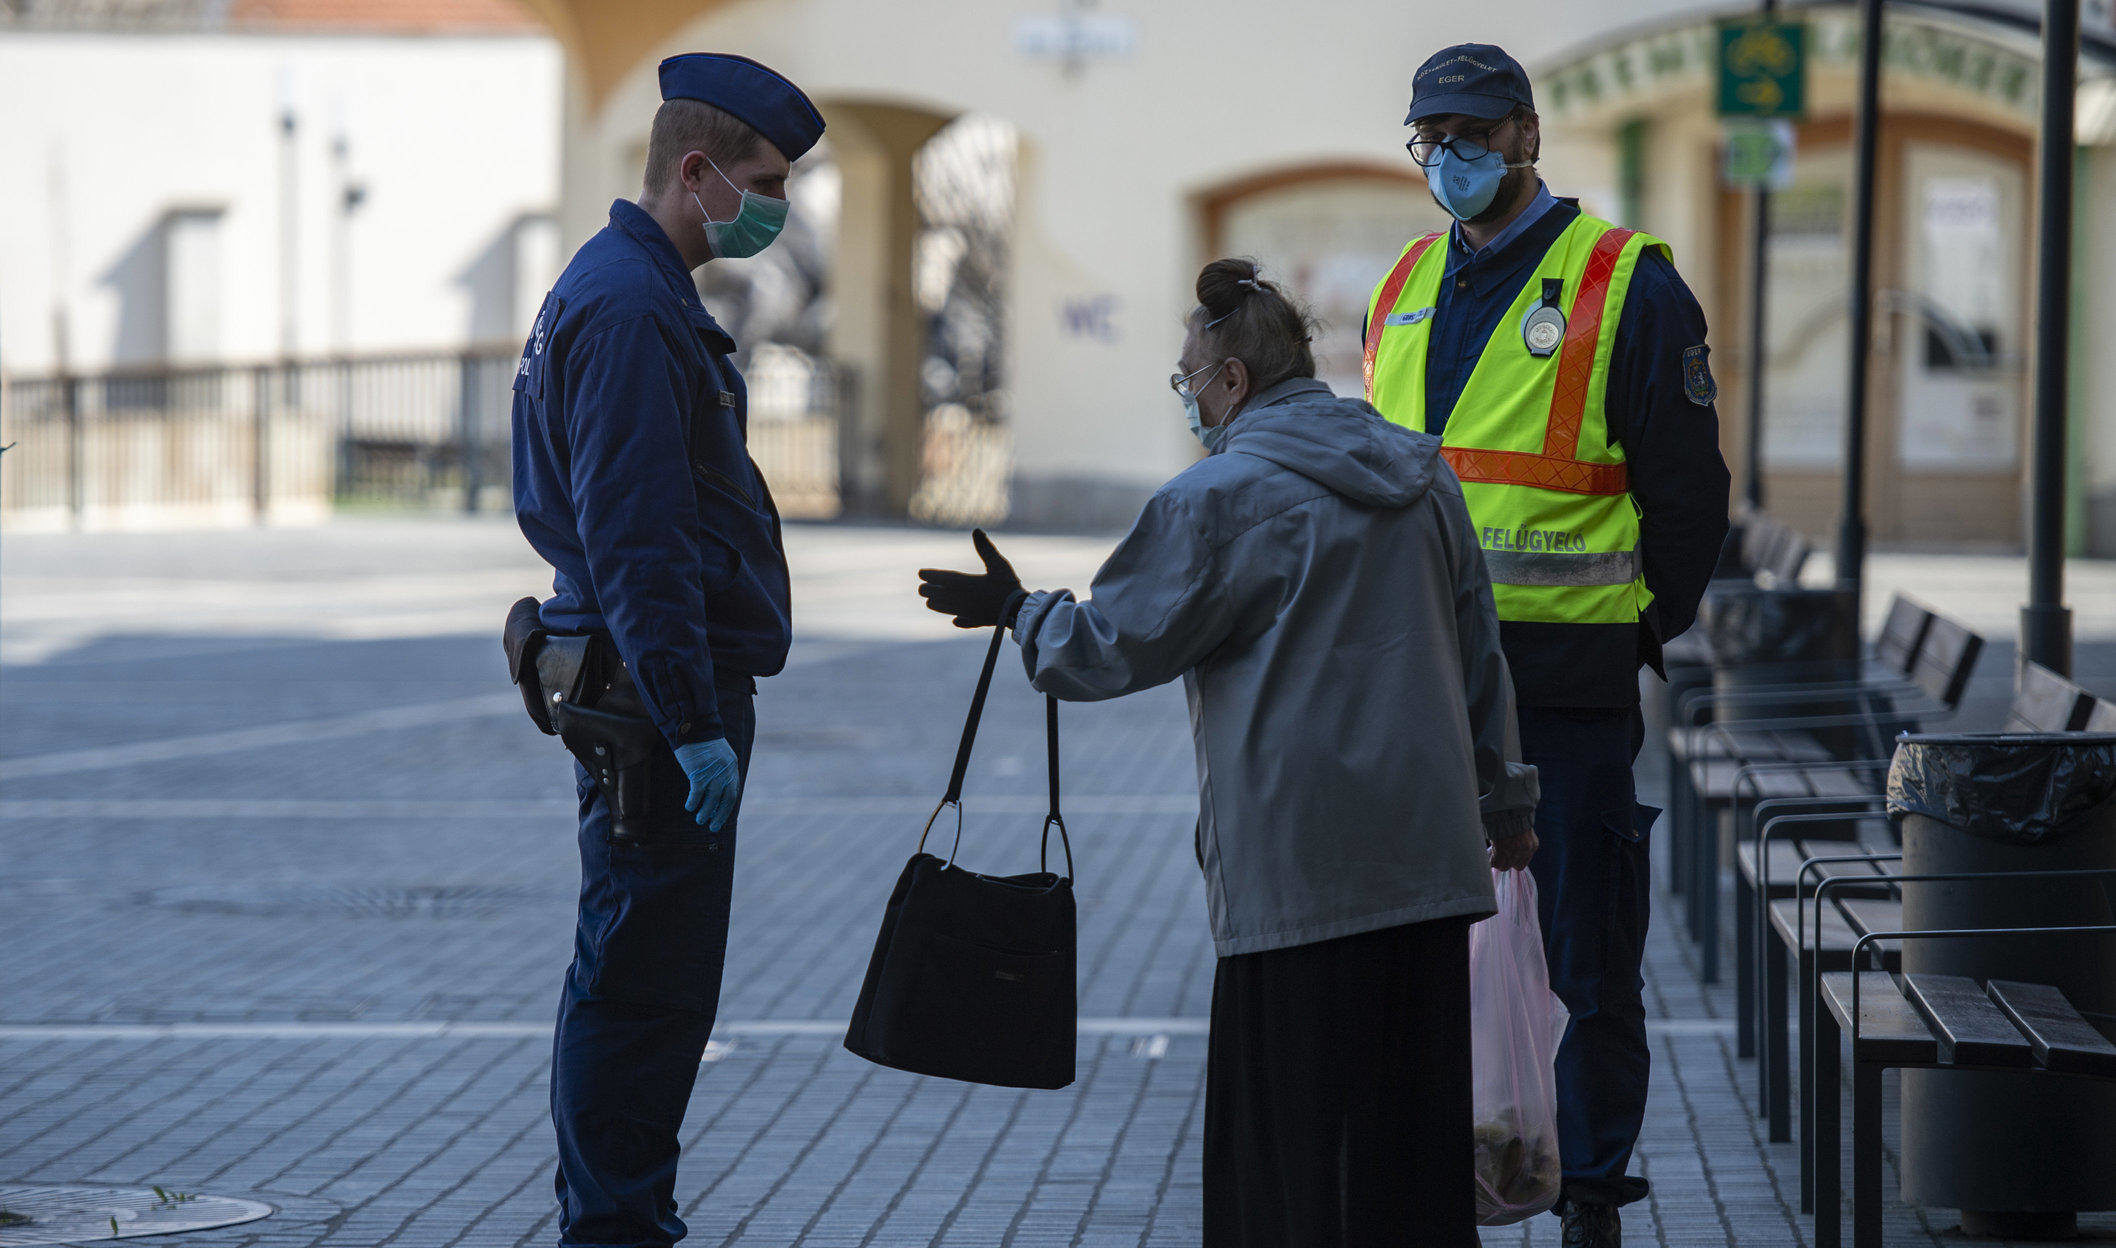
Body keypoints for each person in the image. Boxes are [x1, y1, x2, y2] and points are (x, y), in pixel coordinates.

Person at [919, 258, 1540, 1248]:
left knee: (1289, 1161)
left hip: (1294, 881)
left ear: (1234, 380)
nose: (1188, 399)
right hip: (1428, 870)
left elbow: (1110, 647)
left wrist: (1019, 612)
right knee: (1411, 1153)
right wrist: (1506, 808)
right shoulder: (1424, 477)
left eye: (1188, 379)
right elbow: (1480, 657)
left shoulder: (1216, 498)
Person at [1362, 42, 1732, 1247]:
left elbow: (1688, 499)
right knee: (1416, 948)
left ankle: (1589, 1194)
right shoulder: (1405, 281)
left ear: (1526, 133)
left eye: (1474, 133)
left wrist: (1635, 629)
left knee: (1584, 953)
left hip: (1562, 689)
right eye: (1432, 139)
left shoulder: (1626, 283)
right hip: (1417, 682)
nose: (1452, 157)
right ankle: (1441, 1175)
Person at [506, 52, 823, 1248]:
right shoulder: (633, 308)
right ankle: (616, 1228)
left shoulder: (621, 288)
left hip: (633, 683)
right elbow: (639, 536)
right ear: (696, 173)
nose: (777, 205)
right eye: (765, 181)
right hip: (648, 703)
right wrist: (690, 722)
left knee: (642, 977)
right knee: (642, 988)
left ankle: (620, 1215)